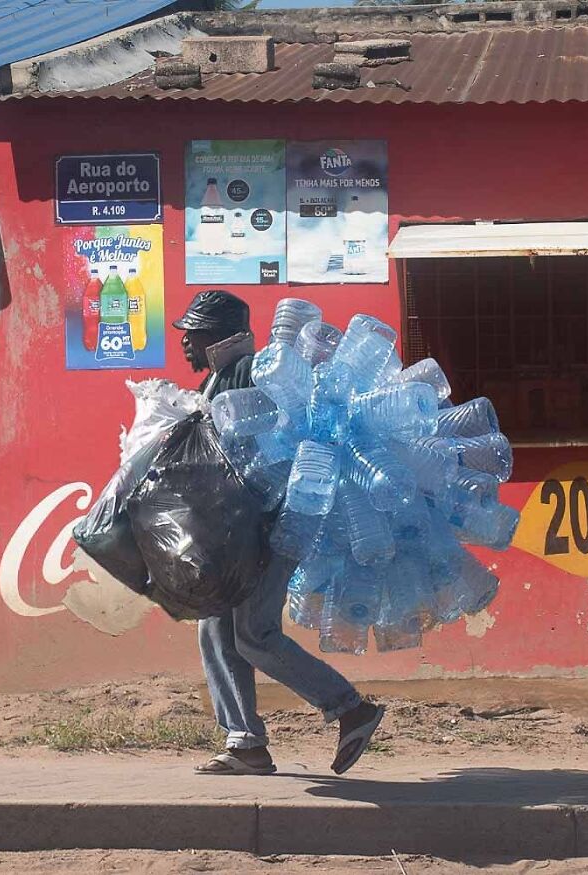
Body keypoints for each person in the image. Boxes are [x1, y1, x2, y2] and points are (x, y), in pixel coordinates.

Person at [173, 290, 384, 776]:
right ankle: (245, 742)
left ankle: (351, 708)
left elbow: (252, 457)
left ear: (219, 338)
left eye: (195, 332)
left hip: (266, 527)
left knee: (253, 633)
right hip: (240, 529)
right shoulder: (219, 379)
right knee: (217, 627)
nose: (185, 341)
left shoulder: (247, 375)